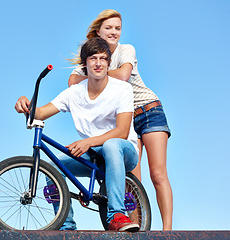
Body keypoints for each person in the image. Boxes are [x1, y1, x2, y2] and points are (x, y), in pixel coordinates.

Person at [15, 37, 140, 232]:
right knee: (52, 167)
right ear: (84, 64)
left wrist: (88, 142)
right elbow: (40, 112)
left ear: (108, 62)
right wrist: (25, 104)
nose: (98, 63)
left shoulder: (122, 89)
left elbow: (122, 132)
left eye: (103, 58)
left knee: (111, 145)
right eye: (93, 59)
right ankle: (66, 225)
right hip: (92, 153)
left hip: (123, 150)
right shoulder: (74, 93)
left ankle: (117, 215)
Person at [68, 10, 173, 230]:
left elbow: (124, 75)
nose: (114, 32)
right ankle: (136, 228)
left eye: (117, 28)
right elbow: (72, 82)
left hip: (147, 111)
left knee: (157, 174)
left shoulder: (126, 50)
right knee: (129, 181)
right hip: (122, 118)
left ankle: (167, 231)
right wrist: (94, 70)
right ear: (98, 31)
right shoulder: (94, 53)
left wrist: (94, 72)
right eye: (109, 28)